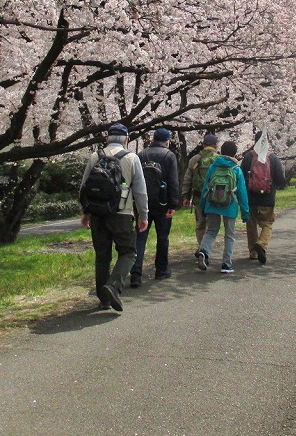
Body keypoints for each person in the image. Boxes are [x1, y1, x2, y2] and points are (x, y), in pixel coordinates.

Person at [79, 124, 148, 311]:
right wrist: (143, 215)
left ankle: (103, 300)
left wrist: (85, 213)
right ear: (126, 138)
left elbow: (84, 186)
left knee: (102, 256)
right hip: (122, 214)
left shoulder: (95, 156)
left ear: (107, 138)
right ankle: (114, 285)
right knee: (128, 252)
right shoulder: (132, 158)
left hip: (97, 214)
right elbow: (140, 191)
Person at [131, 128, 179, 287]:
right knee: (162, 237)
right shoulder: (169, 156)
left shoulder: (141, 154)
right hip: (163, 203)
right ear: (167, 140)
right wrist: (173, 204)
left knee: (140, 238)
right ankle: (161, 270)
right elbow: (173, 181)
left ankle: (136, 274)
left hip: (143, 203)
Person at [195, 141, 249, 274]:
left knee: (211, 230)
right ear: (235, 153)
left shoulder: (214, 166)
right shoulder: (236, 169)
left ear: (221, 151)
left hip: (212, 204)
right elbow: (242, 192)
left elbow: (205, 188)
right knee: (229, 235)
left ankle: (204, 251)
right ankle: (226, 264)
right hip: (230, 205)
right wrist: (245, 212)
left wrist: (203, 205)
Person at [240, 131, 287, 264]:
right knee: (267, 223)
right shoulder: (273, 158)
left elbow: (241, 176)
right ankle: (261, 243)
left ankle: (253, 252)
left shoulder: (248, 156)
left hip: (250, 198)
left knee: (251, 224)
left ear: (254, 141)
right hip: (267, 198)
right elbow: (280, 180)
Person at [181, 134, 220, 244]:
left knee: (200, 224)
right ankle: (207, 249)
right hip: (215, 197)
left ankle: (201, 248)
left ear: (203, 145)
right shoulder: (219, 159)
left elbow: (187, 179)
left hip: (199, 197)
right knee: (212, 225)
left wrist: (186, 196)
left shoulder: (195, 159)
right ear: (215, 145)